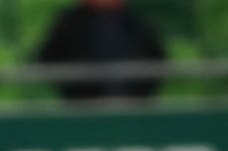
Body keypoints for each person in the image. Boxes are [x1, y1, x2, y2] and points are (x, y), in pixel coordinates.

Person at [36, 0, 165, 100]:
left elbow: (158, 62)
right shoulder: (70, 23)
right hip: (82, 109)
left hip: (129, 108)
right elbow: (45, 60)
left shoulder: (136, 24)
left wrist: (137, 95)